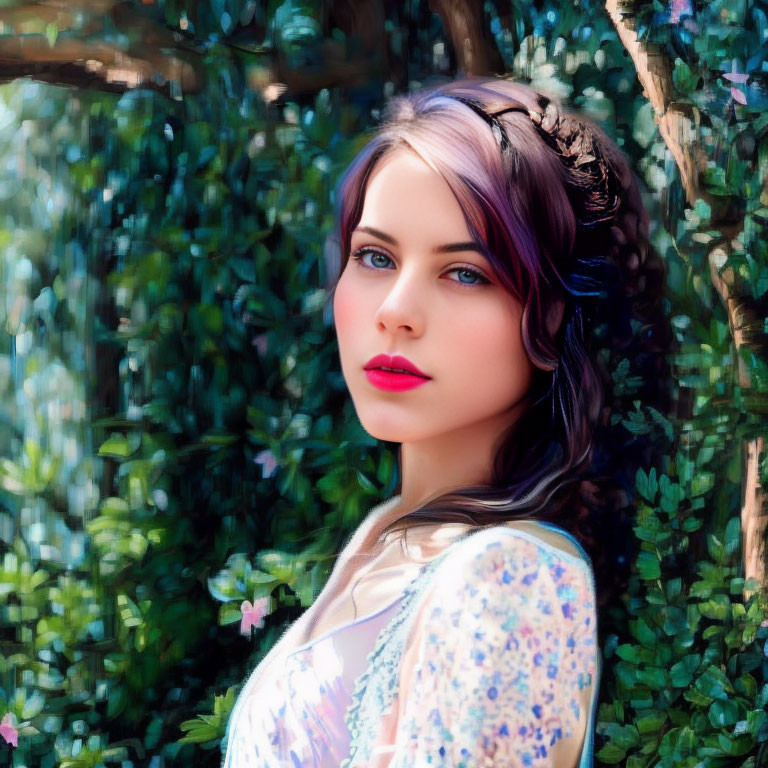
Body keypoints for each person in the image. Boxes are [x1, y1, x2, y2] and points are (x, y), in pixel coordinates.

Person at [222, 75, 666, 767]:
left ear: (548, 317)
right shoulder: (387, 532)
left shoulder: (511, 578)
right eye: (375, 257)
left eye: (465, 273)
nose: (395, 309)